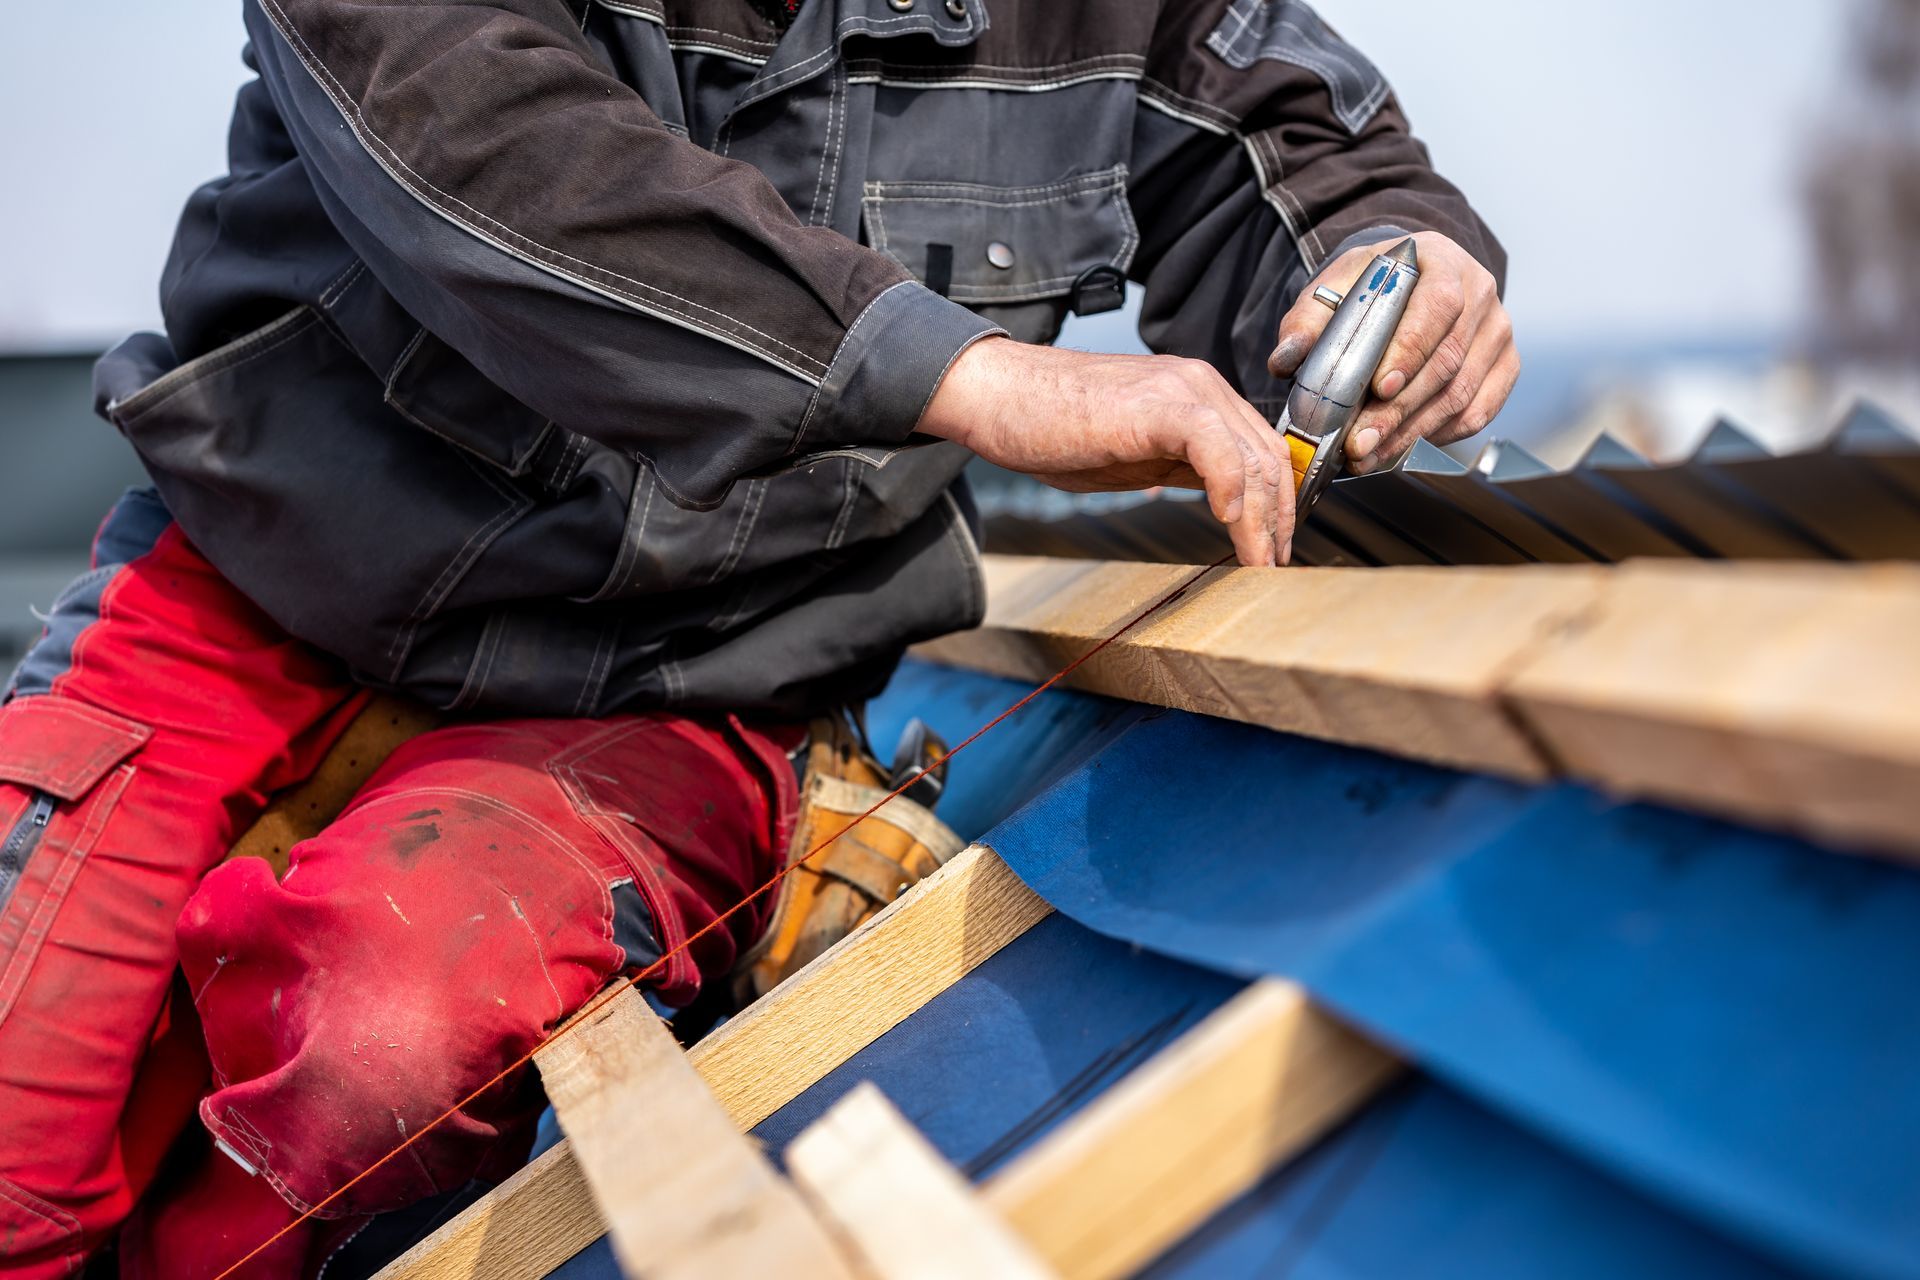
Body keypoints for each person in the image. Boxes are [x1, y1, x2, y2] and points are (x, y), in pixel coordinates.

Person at [0, 0, 1514, 1274]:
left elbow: (1306, 149)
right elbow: (491, 150)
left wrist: (1393, 257)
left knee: (376, 1046)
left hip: (679, 685)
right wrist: (972, 376)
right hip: (256, 590)